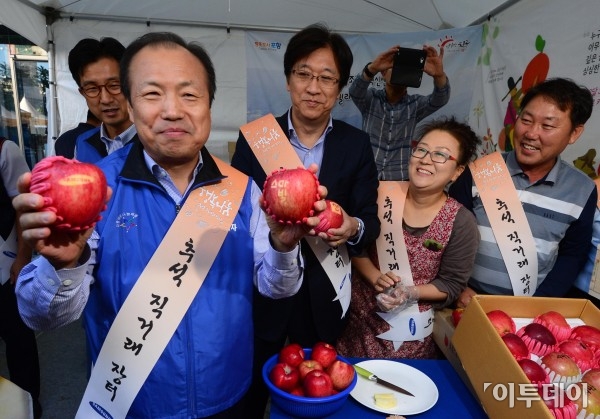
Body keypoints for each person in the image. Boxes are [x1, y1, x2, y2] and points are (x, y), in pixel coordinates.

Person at [14, 32, 328, 418]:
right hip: (133, 402)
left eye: (189, 94)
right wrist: (62, 265)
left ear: (210, 105)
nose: (173, 110)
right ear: (129, 105)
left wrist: (283, 247)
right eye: (152, 94)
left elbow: (277, 288)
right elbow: (44, 318)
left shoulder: (245, 191)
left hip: (228, 395)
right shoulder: (95, 191)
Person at [231, 23, 380, 418]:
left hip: (324, 295)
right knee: (249, 394)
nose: (314, 87)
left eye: (327, 78)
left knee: (315, 396)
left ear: (339, 87)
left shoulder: (356, 143)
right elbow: (237, 216)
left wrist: (351, 227)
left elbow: (370, 220)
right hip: (263, 290)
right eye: (304, 74)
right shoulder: (256, 139)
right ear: (287, 80)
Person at [336, 117, 481, 359]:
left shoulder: (462, 222)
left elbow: (451, 284)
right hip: (356, 326)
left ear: (458, 171)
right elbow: (355, 245)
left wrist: (410, 292)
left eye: (440, 155)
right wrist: (375, 278)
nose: (426, 159)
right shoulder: (381, 193)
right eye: (421, 150)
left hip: (409, 338)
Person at [449, 77, 597, 306]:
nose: (531, 133)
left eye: (547, 126)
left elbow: (572, 256)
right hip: (464, 301)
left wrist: (536, 306)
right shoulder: (480, 171)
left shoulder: (582, 190)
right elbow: (445, 233)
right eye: (526, 120)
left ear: (574, 133)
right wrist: (456, 286)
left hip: (526, 313)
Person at [350, 45, 450, 181]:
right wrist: (372, 68)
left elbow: (440, 99)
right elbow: (355, 92)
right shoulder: (371, 99)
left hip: (399, 180)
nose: (400, 71)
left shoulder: (415, 104)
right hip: (366, 174)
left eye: (405, 69)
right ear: (383, 73)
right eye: (395, 67)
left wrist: (439, 75)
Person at [0, 137, 41, 418]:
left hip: (5, 262)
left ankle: (28, 404)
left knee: (18, 340)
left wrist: (23, 257)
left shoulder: (5, 149)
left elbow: (23, 205)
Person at [67, 37, 136, 163]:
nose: (105, 99)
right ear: (82, 93)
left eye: (114, 85)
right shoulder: (83, 143)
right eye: (92, 88)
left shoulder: (154, 142)